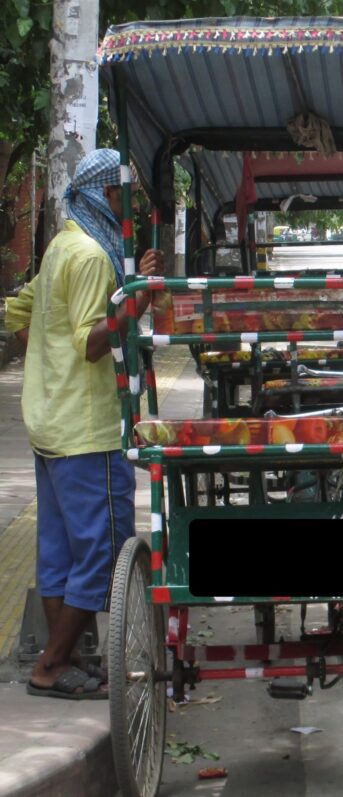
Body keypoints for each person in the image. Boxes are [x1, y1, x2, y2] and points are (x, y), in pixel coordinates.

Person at [4, 148, 165, 698]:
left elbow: (18, 312)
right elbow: (94, 343)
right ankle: (50, 663)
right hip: (88, 430)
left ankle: (65, 657)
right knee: (101, 551)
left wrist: (46, 365)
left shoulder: (59, 247)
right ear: (106, 194)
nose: (132, 210)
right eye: (127, 198)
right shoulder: (94, 257)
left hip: (50, 425)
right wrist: (137, 302)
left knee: (60, 552)